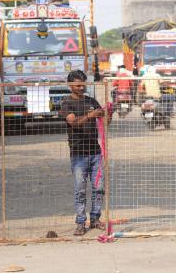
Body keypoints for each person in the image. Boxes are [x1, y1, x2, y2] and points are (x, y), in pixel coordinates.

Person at [60, 70, 106, 236]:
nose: (81, 88)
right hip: (78, 153)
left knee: (99, 187)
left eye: (83, 84)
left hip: (95, 153)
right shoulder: (66, 104)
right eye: (78, 85)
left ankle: (95, 218)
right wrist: (90, 115)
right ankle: (80, 222)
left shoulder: (91, 101)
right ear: (70, 85)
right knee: (80, 189)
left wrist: (109, 112)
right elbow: (73, 122)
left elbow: (104, 119)